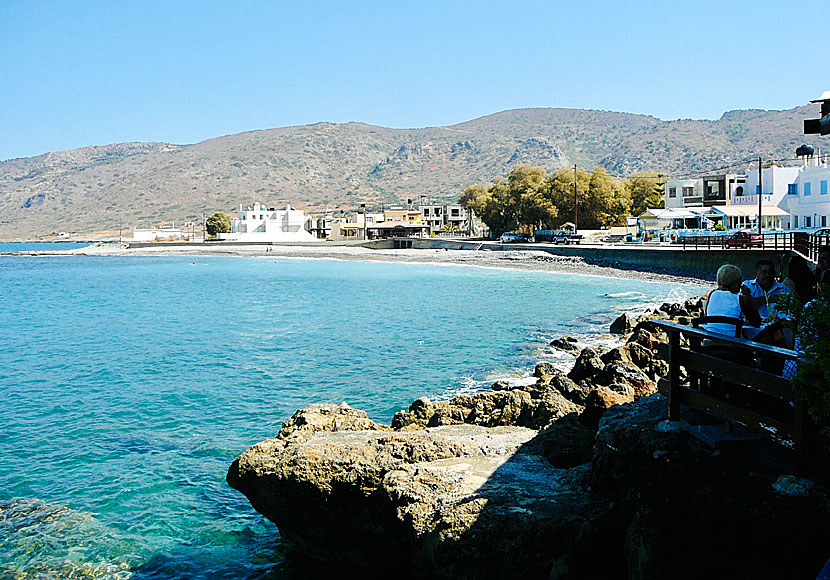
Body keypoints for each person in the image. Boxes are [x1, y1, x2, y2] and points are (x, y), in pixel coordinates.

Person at [704, 264, 762, 337]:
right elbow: (756, 323)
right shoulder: (741, 299)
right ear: (735, 283)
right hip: (732, 345)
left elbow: (707, 317)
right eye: (740, 281)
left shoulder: (712, 294)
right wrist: (748, 296)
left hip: (710, 341)